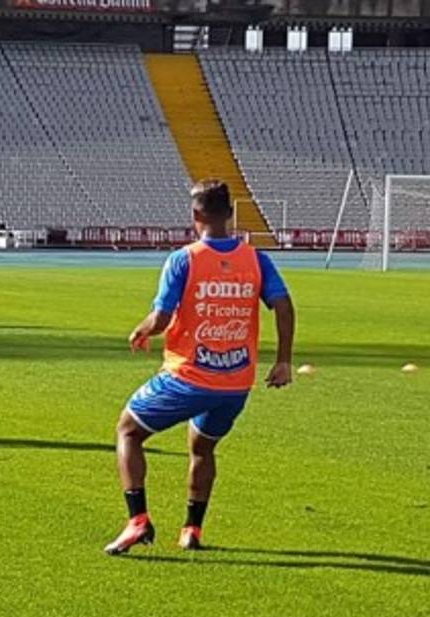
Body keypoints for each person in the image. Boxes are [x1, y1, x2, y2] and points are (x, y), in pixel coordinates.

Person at [105, 180, 295, 555]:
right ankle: (192, 529)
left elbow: (161, 318)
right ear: (229, 214)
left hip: (188, 377)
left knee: (128, 430)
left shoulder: (184, 259)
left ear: (195, 215)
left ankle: (137, 520)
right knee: (202, 448)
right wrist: (284, 360)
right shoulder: (256, 259)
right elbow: (284, 306)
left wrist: (143, 329)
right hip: (236, 384)